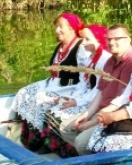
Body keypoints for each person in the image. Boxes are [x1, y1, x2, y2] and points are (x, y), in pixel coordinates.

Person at [10, 12, 86, 150]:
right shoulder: (61, 45)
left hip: (69, 87)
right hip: (53, 83)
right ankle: (17, 135)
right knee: (23, 93)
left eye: (61, 26)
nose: (57, 30)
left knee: (39, 100)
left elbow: (85, 79)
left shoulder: (80, 47)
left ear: (72, 28)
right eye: (56, 26)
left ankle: (39, 143)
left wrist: (74, 98)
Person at [58, 24, 132, 155]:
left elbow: (121, 102)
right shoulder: (110, 61)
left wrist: (92, 123)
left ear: (128, 40)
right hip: (102, 110)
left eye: (117, 39)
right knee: (65, 128)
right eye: (109, 39)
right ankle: (93, 153)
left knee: (81, 142)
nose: (112, 42)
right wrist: (86, 115)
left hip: (115, 115)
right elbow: (100, 92)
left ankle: (94, 161)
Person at [41, 24, 110, 157]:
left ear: (99, 39)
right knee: (49, 111)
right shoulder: (90, 57)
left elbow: (98, 91)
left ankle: (74, 154)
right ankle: (67, 152)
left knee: (54, 117)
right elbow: (84, 83)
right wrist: (74, 99)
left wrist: (78, 102)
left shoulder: (104, 60)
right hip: (88, 98)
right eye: (82, 39)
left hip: (95, 103)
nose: (82, 43)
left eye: (87, 39)